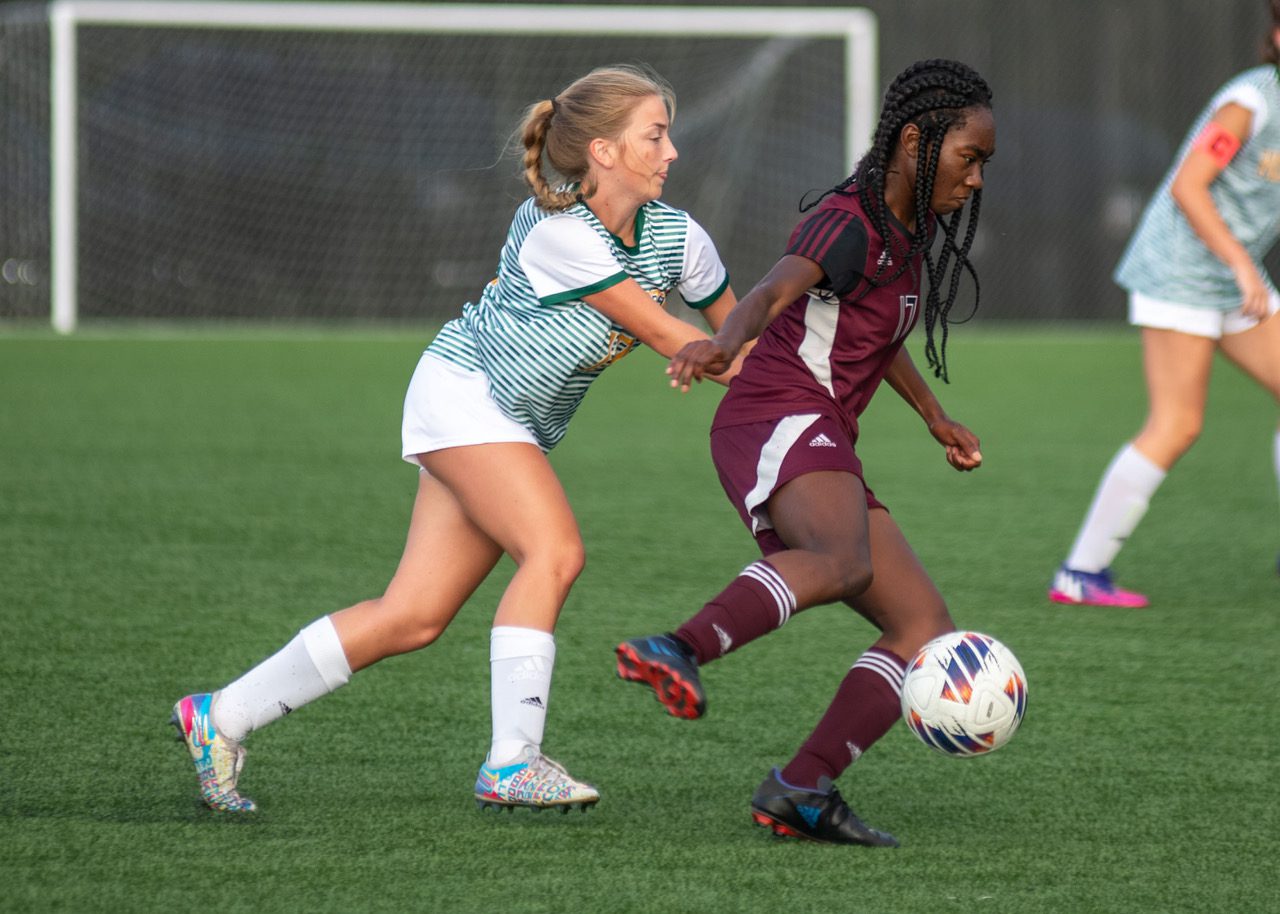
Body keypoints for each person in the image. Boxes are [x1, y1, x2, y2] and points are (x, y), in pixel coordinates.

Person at [172, 64, 741, 813]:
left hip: (508, 421)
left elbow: (738, 343)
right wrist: (748, 367)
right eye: (655, 136)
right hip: (465, 395)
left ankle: (222, 716)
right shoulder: (558, 232)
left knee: (414, 615)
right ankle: (513, 762)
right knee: (555, 552)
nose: (672, 152)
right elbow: (671, 335)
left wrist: (805, 381)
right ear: (603, 151)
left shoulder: (681, 237)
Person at [615, 59, 995, 846]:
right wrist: (724, 343)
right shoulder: (848, 220)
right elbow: (769, 292)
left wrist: (934, 415)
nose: (977, 178)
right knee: (842, 561)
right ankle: (675, 648)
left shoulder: (908, 229)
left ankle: (801, 787)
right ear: (916, 141)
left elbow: (879, 331)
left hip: (814, 429)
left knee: (924, 629)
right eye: (970, 157)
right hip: (775, 412)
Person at [1049, 3, 1280, 608]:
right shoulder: (1250, 103)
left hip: (1234, 276)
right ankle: (1079, 573)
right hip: (1181, 271)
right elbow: (1188, 185)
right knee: (1177, 425)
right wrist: (1239, 263)